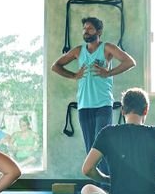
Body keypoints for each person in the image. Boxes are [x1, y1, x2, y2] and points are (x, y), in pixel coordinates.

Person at [51, 17, 136, 174]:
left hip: (103, 105)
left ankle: (110, 185)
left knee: (102, 145)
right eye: (84, 28)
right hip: (84, 106)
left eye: (90, 28)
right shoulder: (78, 51)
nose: (86, 31)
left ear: (99, 31)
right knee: (91, 149)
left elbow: (129, 62)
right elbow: (55, 66)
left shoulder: (107, 48)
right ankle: (99, 186)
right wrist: (74, 75)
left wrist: (109, 72)